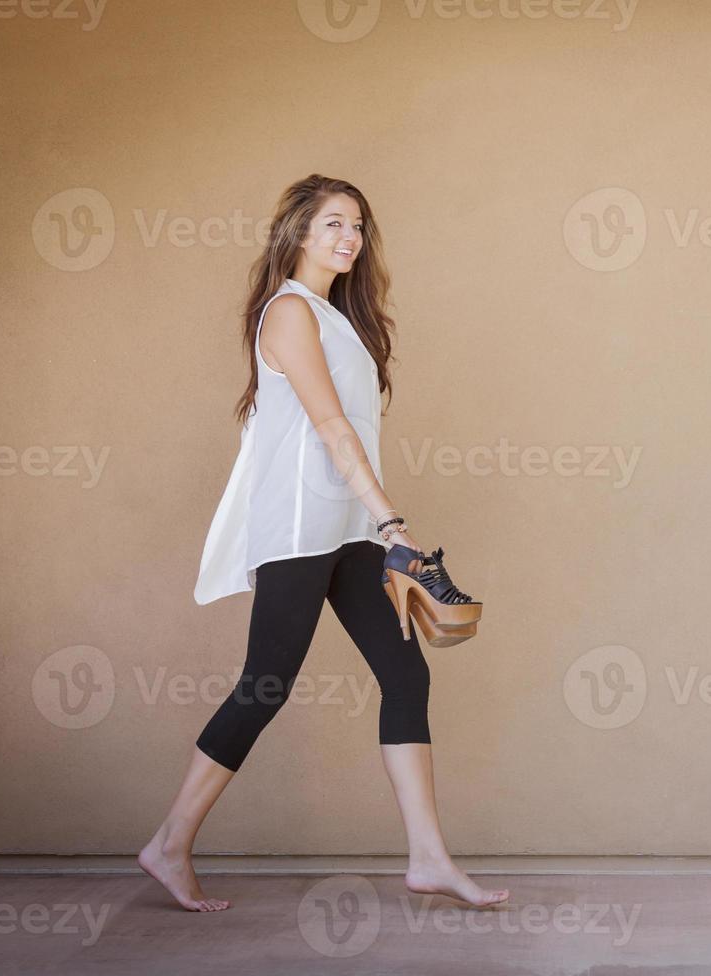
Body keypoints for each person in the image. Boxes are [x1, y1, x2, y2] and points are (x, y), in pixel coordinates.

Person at [137, 174, 507, 913]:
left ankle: (429, 859)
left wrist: (373, 523)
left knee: (406, 677)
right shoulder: (289, 313)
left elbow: (351, 430)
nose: (350, 238)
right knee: (265, 685)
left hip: (348, 527)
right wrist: (393, 522)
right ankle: (169, 844)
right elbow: (332, 430)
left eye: (359, 225)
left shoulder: (340, 319)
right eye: (334, 223)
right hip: (306, 526)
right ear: (298, 232)